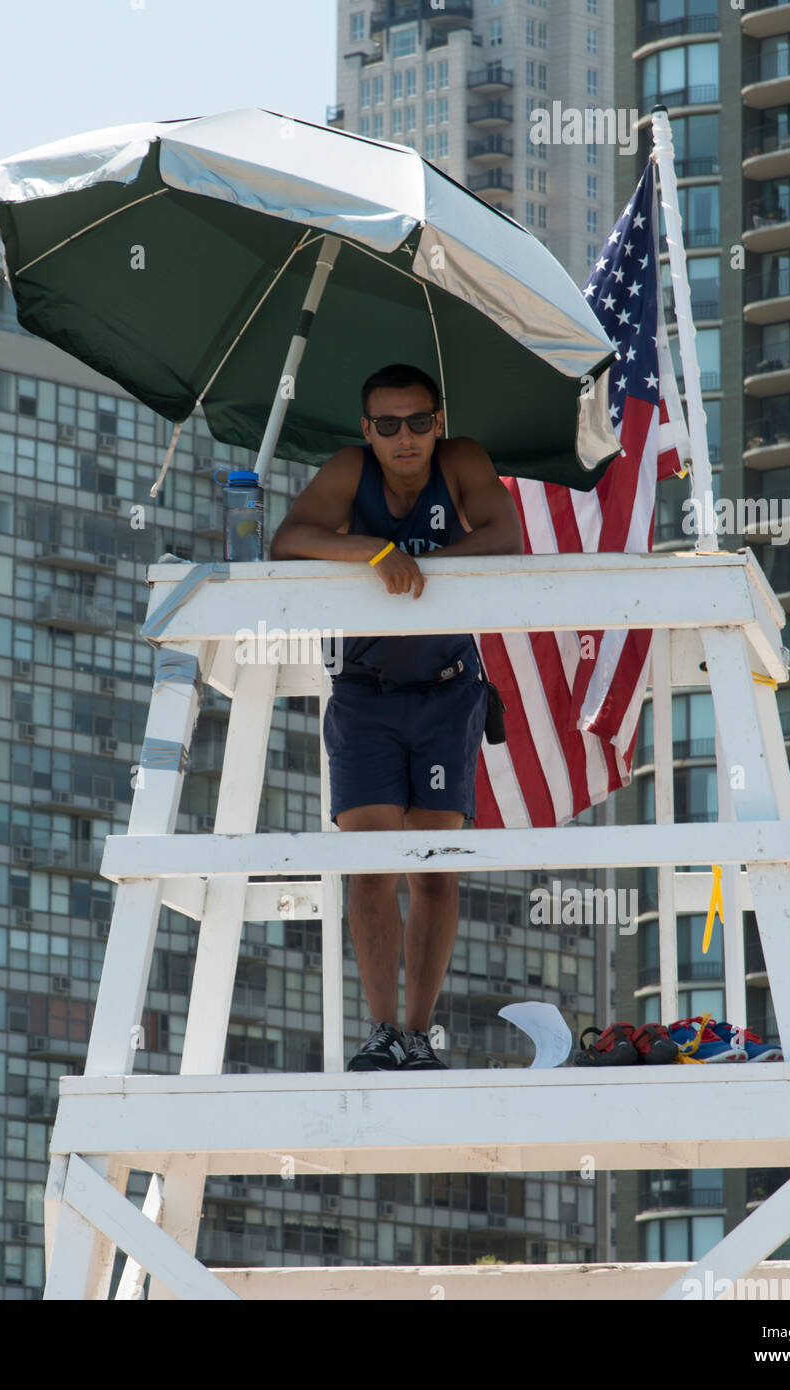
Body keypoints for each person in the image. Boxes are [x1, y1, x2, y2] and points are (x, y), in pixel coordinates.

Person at [268, 363, 523, 1070]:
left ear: (438, 423)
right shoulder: (352, 471)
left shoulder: (462, 460)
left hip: (447, 690)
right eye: (387, 425)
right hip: (367, 690)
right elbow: (288, 539)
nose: (404, 437)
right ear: (366, 430)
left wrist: (426, 570)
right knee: (372, 870)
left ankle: (417, 1033)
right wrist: (376, 551)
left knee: (435, 871)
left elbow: (506, 537)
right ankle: (381, 1032)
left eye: (417, 422)